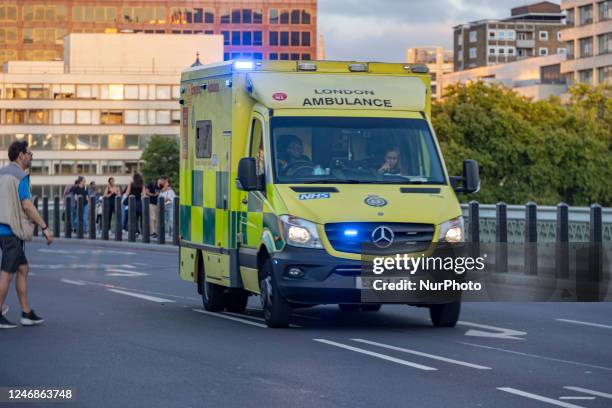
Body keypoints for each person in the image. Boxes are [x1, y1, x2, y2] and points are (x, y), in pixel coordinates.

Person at [0, 140, 53, 329]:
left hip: (2, 230)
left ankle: (26, 312)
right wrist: (44, 227)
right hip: (11, 231)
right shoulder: (21, 176)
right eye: (29, 154)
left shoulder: (2, 173)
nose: (31, 157)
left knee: (22, 269)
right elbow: (27, 206)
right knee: (7, 274)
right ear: (21, 155)